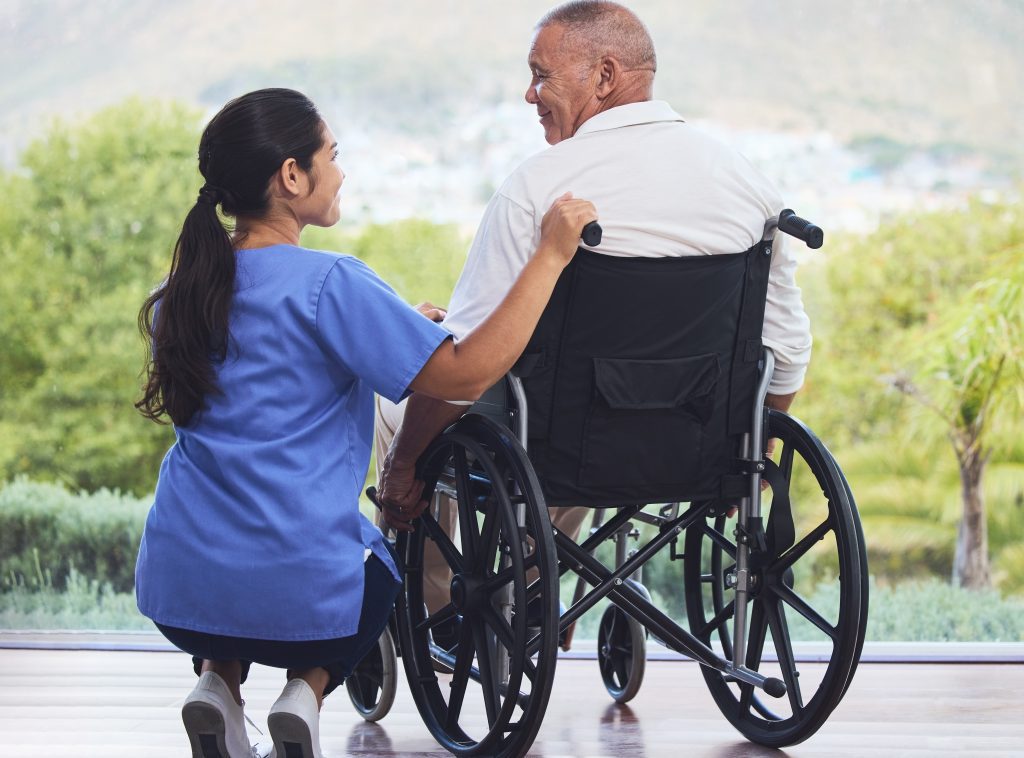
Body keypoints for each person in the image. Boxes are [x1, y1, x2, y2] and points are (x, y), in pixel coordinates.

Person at [133, 88, 596, 758]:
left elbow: (250, 374)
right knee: (384, 558)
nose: (342, 171)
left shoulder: (183, 292)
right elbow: (466, 374)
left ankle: (217, 684)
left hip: (179, 587)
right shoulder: (331, 284)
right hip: (302, 599)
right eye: (332, 154)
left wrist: (402, 329)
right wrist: (550, 253)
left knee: (233, 558)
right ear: (292, 176)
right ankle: (306, 692)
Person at [376, 0, 812, 616]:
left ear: (605, 77)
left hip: (560, 446)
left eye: (541, 75)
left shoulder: (539, 186)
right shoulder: (749, 186)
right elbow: (787, 349)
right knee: (562, 405)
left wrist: (402, 466)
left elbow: (465, 369)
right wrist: (753, 452)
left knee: (405, 402)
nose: (530, 95)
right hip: (696, 447)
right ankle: (536, 595)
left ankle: (438, 611)